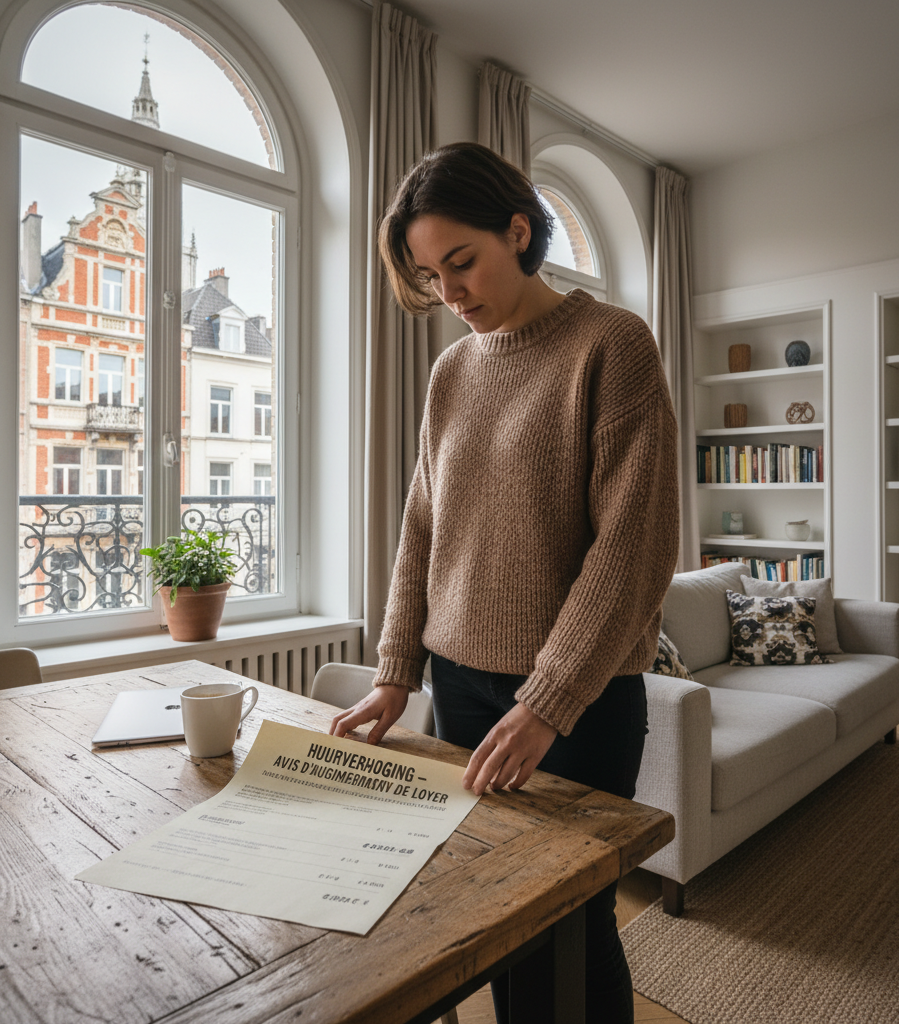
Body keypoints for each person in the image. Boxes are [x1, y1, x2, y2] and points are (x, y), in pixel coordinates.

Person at [330, 141, 679, 1024]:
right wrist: (393, 672)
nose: (450, 294)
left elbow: (633, 548)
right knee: (485, 908)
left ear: (518, 232)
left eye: (462, 262)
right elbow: (422, 529)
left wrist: (550, 698)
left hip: (580, 699)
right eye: (428, 274)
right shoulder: (451, 372)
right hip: (459, 685)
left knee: (570, 917)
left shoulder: (613, 345)